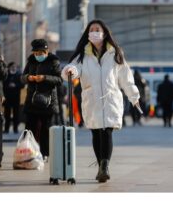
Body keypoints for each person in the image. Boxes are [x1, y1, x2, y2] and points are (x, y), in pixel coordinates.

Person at [61, 19, 140, 183]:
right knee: (96, 132)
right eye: (91, 30)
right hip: (92, 100)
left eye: (97, 29)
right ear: (87, 34)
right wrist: (71, 70)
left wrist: (134, 96)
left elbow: (126, 77)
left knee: (107, 132)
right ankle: (101, 167)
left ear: (104, 33)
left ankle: (105, 166)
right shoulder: (83, 54)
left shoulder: (115, 52)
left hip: (110, 99)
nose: (94, 32)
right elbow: (75, 68)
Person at [21, 39, 62, 161]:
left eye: (40, 53)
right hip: (32, 101)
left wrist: (44, 78)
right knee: (29, 129)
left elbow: (59, 80)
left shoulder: (53, 61)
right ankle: (28, 153)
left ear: (46, 51)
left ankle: (45, 154)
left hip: (48, 102)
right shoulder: (31, 61)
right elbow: (22, 78)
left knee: (46, 130)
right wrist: (29, 78)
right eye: (36, 53)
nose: (38, 56)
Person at [3, 62, 24, 134]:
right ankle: (6, 129)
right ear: (9, 67)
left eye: (15, 67)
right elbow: (3, 85)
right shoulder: (6, 75)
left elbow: (22, 85)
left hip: (16, 97)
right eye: (12, 67)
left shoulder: (18, 75)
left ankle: (15, 128)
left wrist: (15, 85)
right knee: (7, 114)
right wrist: (9, 85)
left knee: (16, 114)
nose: (14, 68)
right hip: (7, 97)